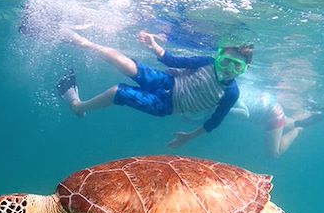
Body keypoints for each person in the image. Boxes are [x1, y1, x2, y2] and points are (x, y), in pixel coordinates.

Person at [57, 30, 253, 148]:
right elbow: (174, 60)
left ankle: (78, 107)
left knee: (118, 91)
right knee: (124, 62)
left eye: (237, 66)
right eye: (226, 61)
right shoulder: (207, 62)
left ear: (245, 69)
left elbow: (214, 121)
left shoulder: (232, 93)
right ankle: (83, 42)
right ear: (218, 57)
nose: (229, 69)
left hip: (165, 105)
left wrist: (188, 137)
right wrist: (153, 46)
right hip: (165, 81)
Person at [230, 86, 324, 159]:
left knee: (274, 154)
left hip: (273, 114)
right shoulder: (227, 86)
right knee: (285, 122)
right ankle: (303, 120)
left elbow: (244, 113)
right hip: (270, 106)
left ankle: (298, 129)